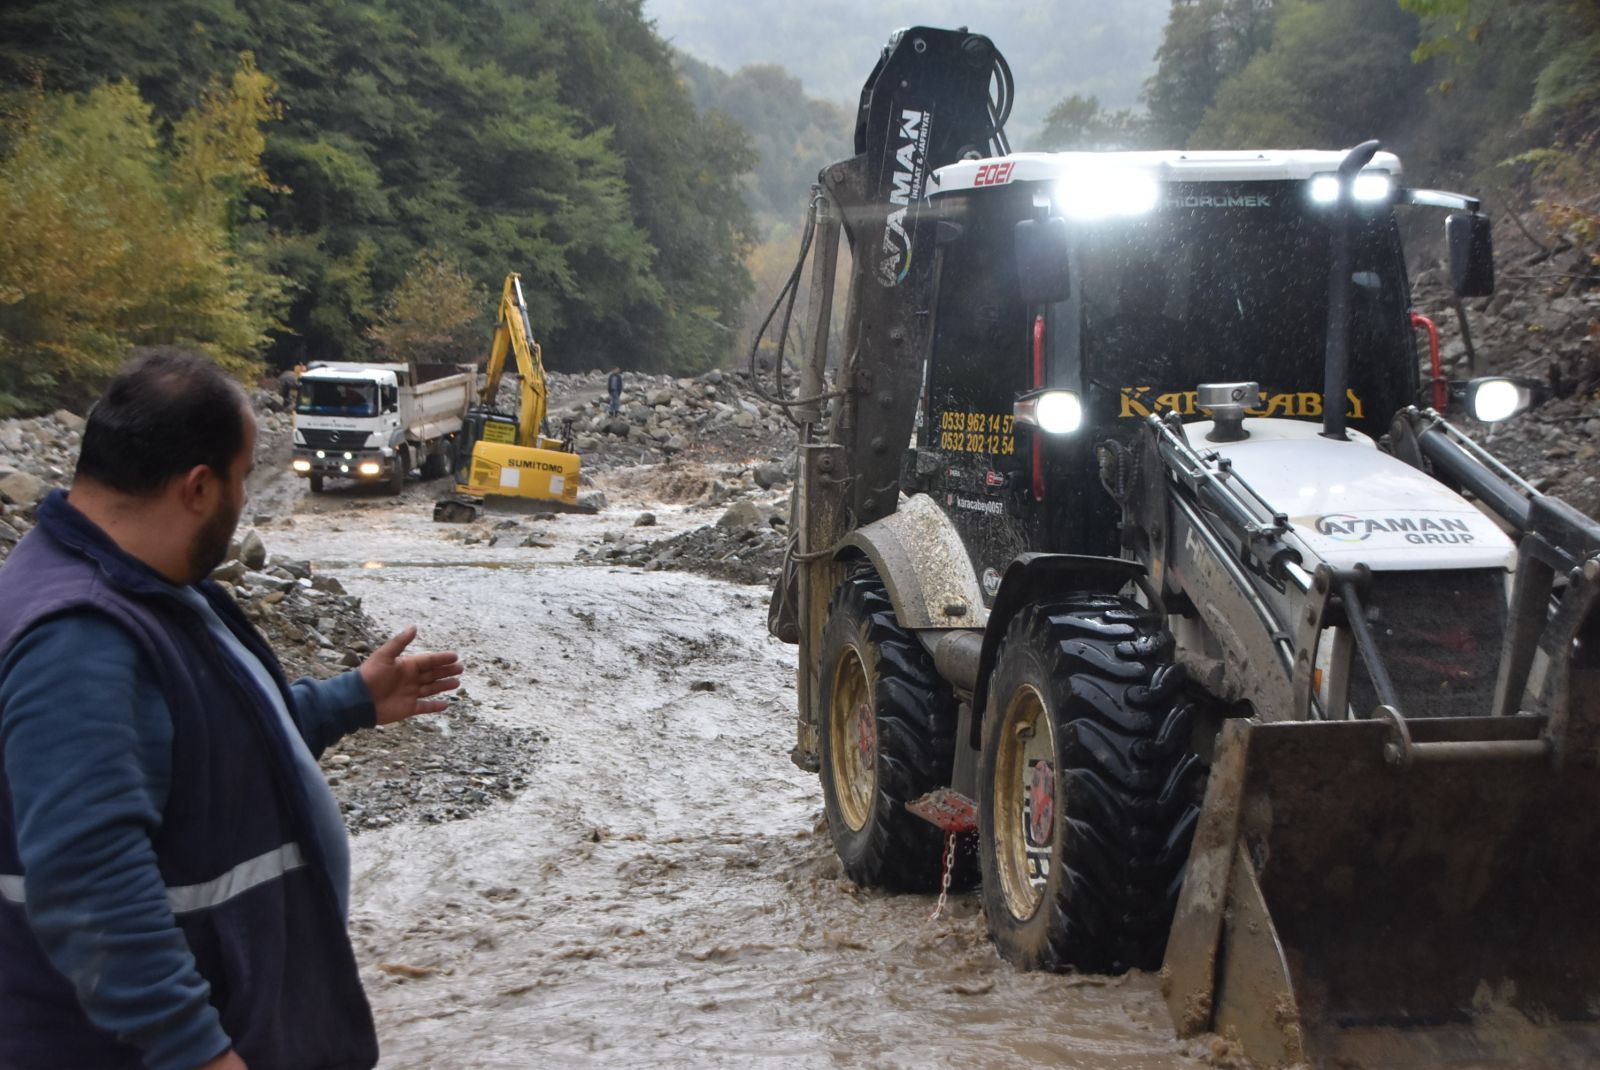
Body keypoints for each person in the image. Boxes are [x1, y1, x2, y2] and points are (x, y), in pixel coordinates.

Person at [0, 350, 463, 1070]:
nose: (244, 501)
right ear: (197, 487)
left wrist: (349, 701)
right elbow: (88, 879)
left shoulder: (142, 588)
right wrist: (198, 1051)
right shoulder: (81, 638)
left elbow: (206, 745)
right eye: (244, 479)